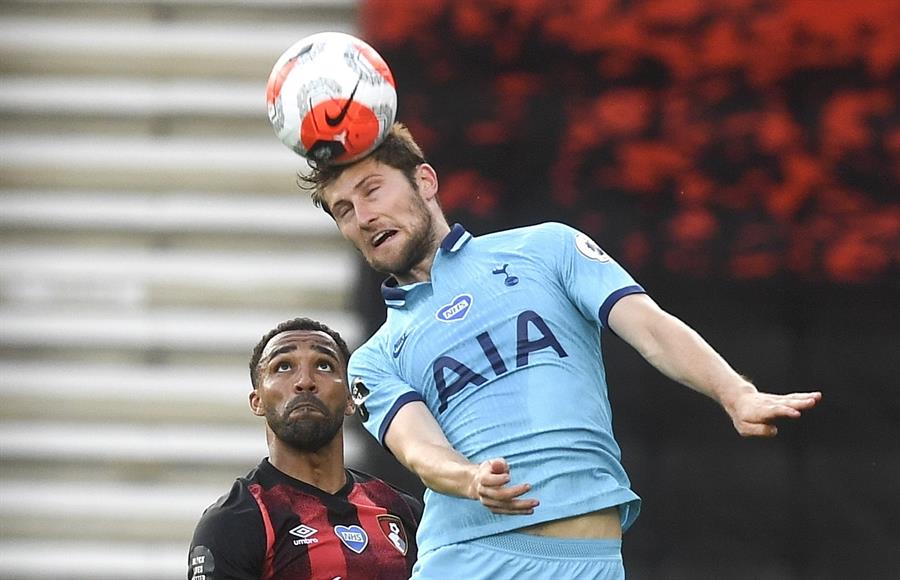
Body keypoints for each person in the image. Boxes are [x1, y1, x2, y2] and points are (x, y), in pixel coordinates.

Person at [300, 123, 822, 579]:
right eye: (344, 210)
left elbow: (650, 327)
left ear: (425, 181)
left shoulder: (546, 250)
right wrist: (471, 479)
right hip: (469, 559)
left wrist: (735, 393)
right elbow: (420, 451)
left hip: (589, 563)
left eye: (373, 191)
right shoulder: (374, 359)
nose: (363, 217)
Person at [188, 317, 423, 580]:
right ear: (257, 401)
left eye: (324, 365)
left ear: (350, 399)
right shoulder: (234, 522)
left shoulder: (402, 511)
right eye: (283, 367)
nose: (305, 381)